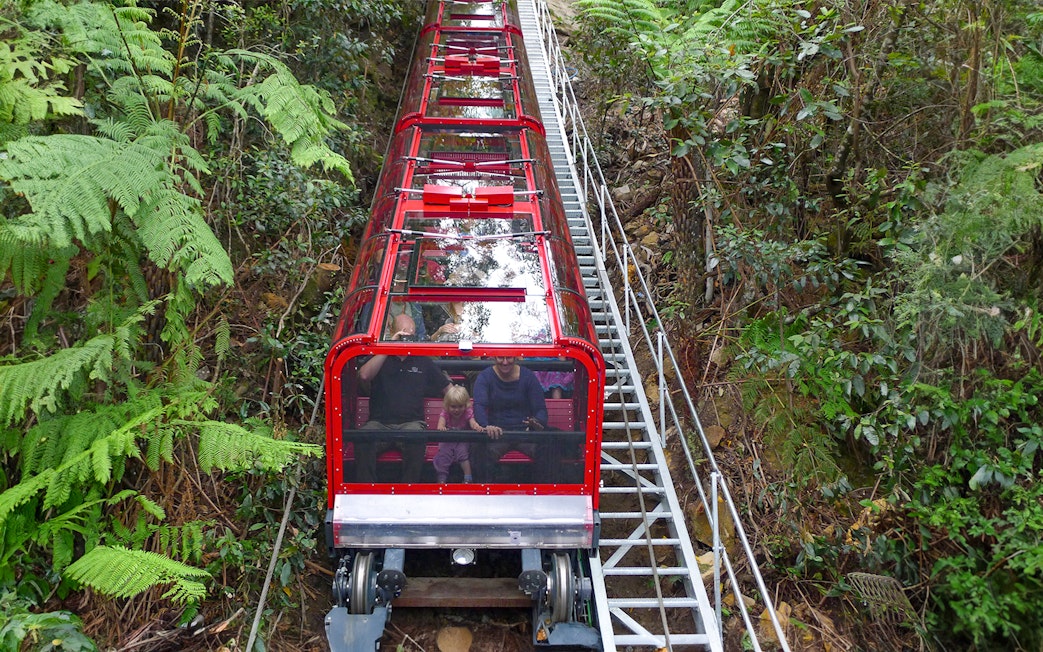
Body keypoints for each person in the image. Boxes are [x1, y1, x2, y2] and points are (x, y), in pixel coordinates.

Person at [354, 313, 449, 482]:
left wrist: (461, 411)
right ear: (392, 332)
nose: (407, 339)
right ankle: (367, 492)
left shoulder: (422, 361)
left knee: (416, 438)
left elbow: (447, 388)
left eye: (410, 335)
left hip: (410, 424)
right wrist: (389, 346)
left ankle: (408, 491)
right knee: (363, 438)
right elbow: (364, 376)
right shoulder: (380, 356)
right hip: (379, 423)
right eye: (403, 334)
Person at [472, 356, 547, 481]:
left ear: (516, 357)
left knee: (548, 448)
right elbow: (479, 406)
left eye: (509, 358)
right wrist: (486, 426)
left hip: (525, 433)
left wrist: (537, 422)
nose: (505, 362)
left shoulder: (528, 377)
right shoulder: (485, 377)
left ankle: (544, 493)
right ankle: (484, 493)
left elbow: (540, 408)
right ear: (494, 357)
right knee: (478, 450)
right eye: (501, 358)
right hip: (497, 434)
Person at [433, 385, 482, 483]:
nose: (457, 410)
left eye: (460, 406)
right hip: (448, 439)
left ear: (465, 405)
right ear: (447, 406)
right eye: (453, 407)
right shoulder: (445, 413)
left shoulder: (467, 412)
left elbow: (472, 422)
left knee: (463, 454)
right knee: (443, 455)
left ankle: (468, 477)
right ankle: (441, 478)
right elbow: (440, 426)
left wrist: (476, 426)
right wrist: (442, 428)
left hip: (462, 439)